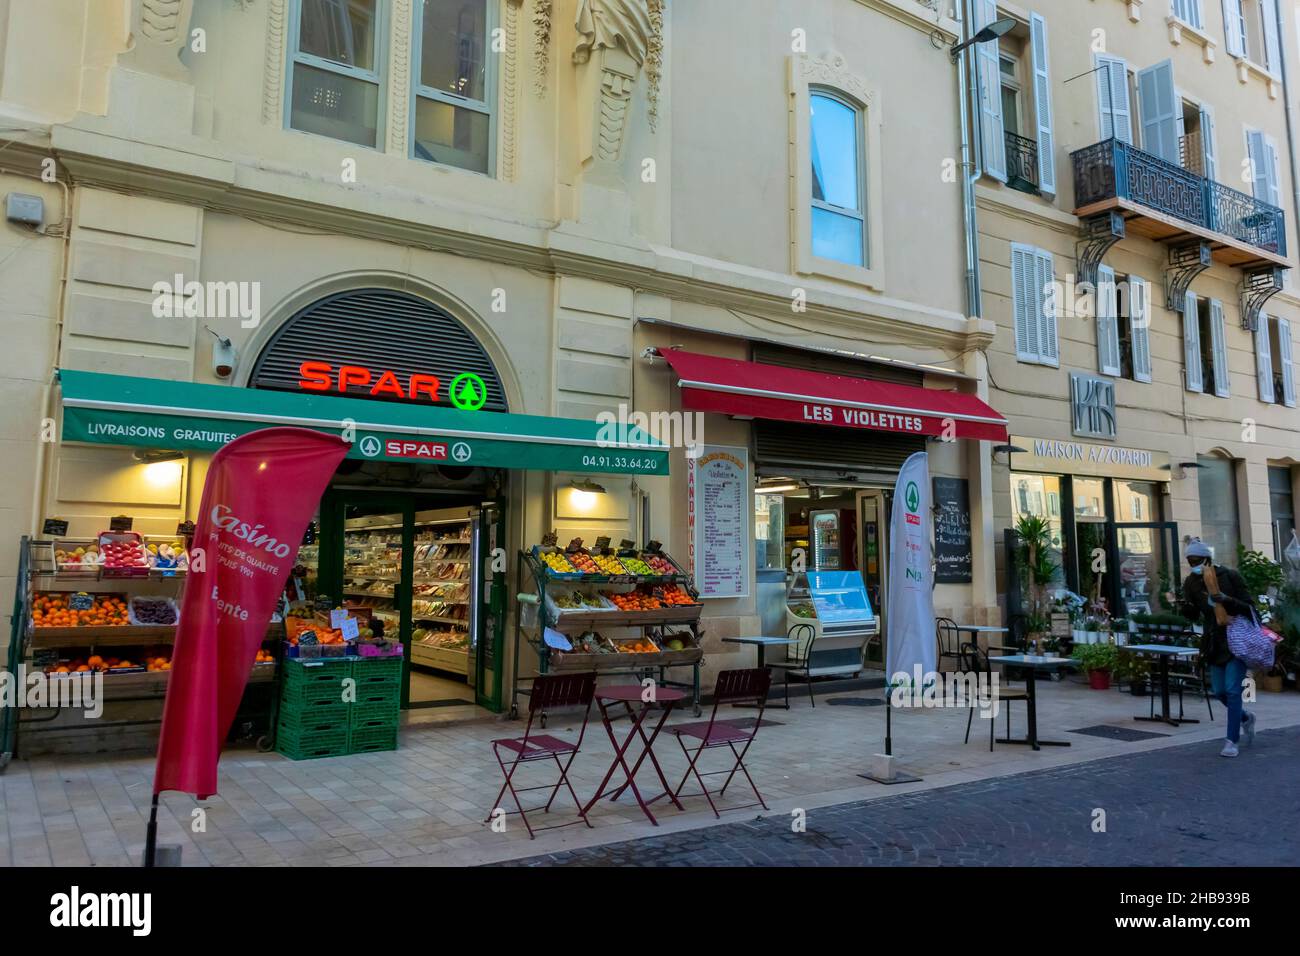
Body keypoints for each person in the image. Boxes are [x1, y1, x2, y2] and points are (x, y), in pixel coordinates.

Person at [1166, 541, 1256, 757]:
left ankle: (1231, 741)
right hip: (1214, 642)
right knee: (1220, 691)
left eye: (1196, 561)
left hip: (1236, 639)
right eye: (1189, 561)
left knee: (1233, 690)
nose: (1193, 565)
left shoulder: (1230, 576)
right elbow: (1193, 615)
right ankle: (1245, 717)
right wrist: (1182, 605)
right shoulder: (1192, 582)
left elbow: (1250, 607)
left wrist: (1226, 600)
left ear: (1207, 559)